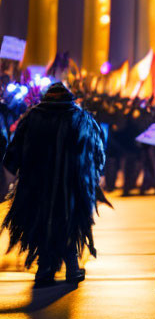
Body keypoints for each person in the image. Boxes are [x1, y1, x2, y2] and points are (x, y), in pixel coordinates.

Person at [2, 82, 108, 286]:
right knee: (69, 220)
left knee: (42, 221)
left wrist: (10, 172)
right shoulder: (80, 117)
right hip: (72, 183)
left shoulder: (33, 117)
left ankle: (45, 268)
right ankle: (72, 267)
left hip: (37, 182)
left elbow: (14, 149)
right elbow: (97, 149)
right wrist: (96, 174)